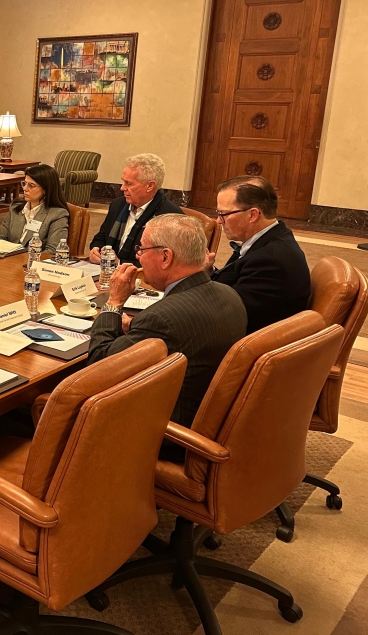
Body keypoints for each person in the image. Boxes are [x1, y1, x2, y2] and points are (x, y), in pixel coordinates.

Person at [87, 214, 247, 459]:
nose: (138, 257)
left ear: (165, 257)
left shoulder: (162, 319)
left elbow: (99, 364)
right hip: (211, 421)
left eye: (142, 249)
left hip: (167, 436)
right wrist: (137, 327)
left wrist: (114, 302)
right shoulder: (229, 295)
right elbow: (183, 332)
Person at [209, 176, 310, 334]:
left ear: (253, 215)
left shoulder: (271, 260)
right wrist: (208, 270)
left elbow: (228, 314)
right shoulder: (270, 240)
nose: (218, 221)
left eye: (223, 214)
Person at [88, 153, 182, 266]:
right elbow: (101, 237)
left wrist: (120, 263)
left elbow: (164, 263)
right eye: (123, 181)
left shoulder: (169, 217)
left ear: (150, 186)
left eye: (128, 183)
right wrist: (96, 249)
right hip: (105, 270)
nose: (122, 188)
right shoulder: (118, 205)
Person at [0, 164, 69, 251]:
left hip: (34, 259)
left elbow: (52, 250)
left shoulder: (57, 214)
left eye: (31, 185)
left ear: (46, 189)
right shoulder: (16, 208)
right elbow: (0, 238)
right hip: (8, 257)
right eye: (24, 183)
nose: (25, 188)